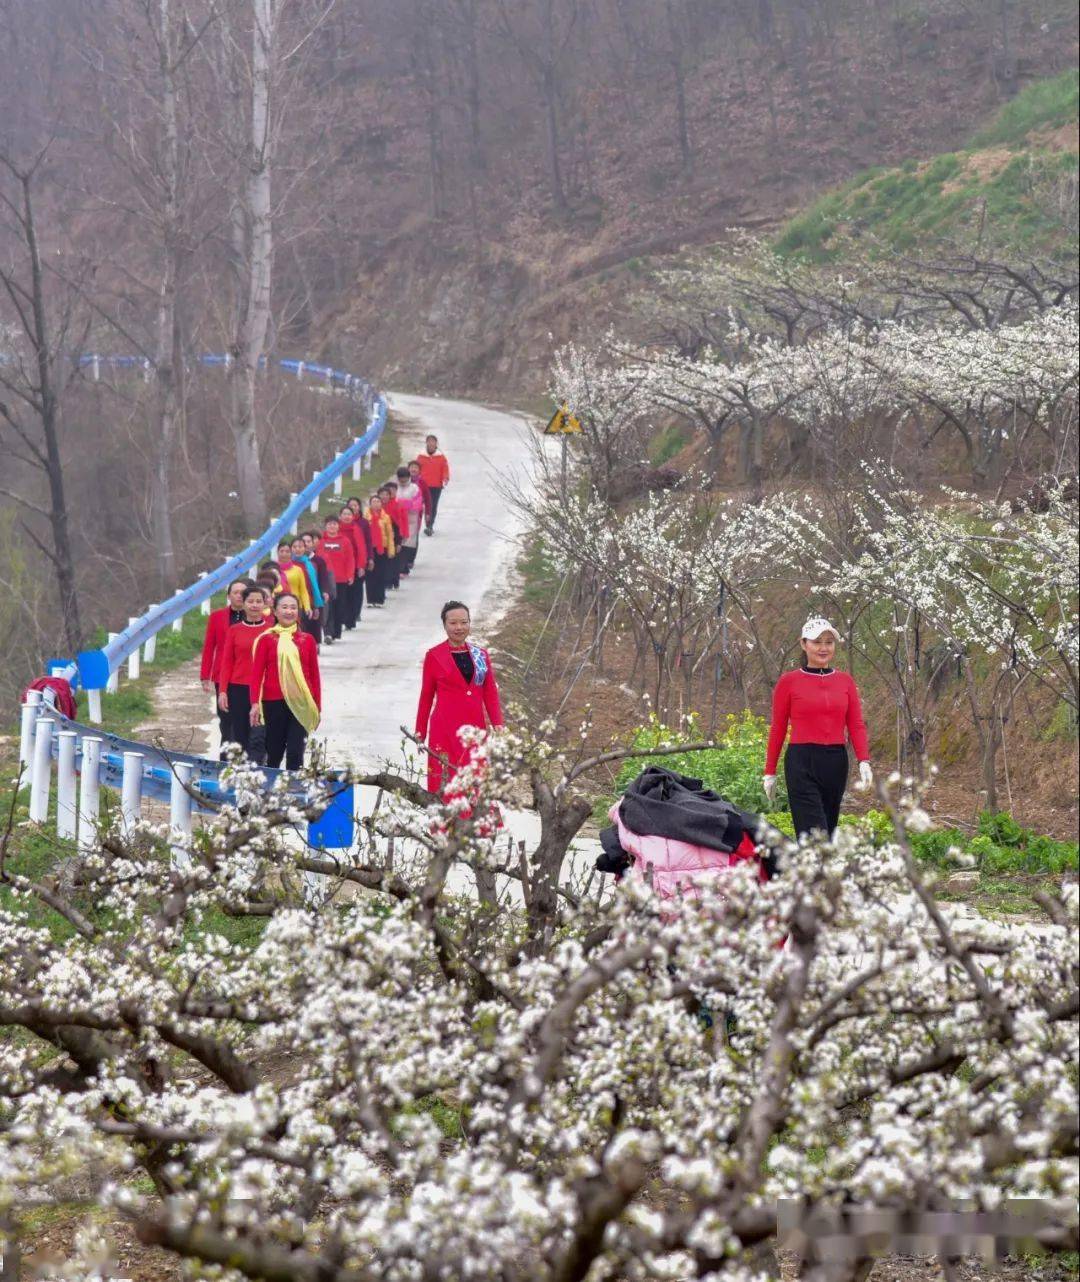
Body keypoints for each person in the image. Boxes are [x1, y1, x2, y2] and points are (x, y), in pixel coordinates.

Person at [763, 616, 872, 842]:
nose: (823, 648)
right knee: (813, 833)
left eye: (829, 642)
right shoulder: (789, 681)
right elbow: (778, 728)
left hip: (835, 761)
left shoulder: (845, 681)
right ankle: (817, 875)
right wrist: (770, 771)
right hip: (801, 761)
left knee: (828, 830)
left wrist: (864, 760)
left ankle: (815, 876)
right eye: (817, 642)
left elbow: (855, 724)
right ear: (804, 644)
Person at [415, 600, 504, 795]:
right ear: (445, 625)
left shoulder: (480, 655)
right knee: (447, 783)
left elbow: (490, 692)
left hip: (475, 730)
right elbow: (426, 696)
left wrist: (497, 722)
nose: (459, 627)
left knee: (476, 780)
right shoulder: (434, 656)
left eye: (464, 622)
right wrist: (420, 732)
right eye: (453, 623)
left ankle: (477, 824)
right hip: (444, 730)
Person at [249, 593, 321, 770]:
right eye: (285, 607)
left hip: (302, 704)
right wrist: (254, 704)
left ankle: (293, 791)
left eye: (293, 607)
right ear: (275, 611)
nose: (289, 611)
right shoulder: (266, 640)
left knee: (296, 752)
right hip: (273, 703)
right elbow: (257, 674)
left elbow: (314, 676)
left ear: (298, 612)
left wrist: (317, 707)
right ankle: (272, 791)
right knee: (274, 752)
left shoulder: (308, 640)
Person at [216, 584, 273, 753]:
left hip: (264, 689)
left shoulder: (271, 631)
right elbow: (227, 662)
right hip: (238, 687)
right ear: (244, 604)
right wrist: (223, 691)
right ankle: (240, 772)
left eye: (258, 601)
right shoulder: (234, 630)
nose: (254, 605)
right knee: (240, 733)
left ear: (265, 604)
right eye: (250, 601)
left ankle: (259, 769)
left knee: (260, 734)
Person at [200, 578, 252, 758]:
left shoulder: (255, 617)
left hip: (247, 674)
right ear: (229, 595)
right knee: (226, 720)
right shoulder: (217, 617)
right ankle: (225, 759)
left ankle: (245, 756)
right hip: (222, 676)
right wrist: (204, 675)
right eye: (235, 592)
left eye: (243, 592)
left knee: (245, 720)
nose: (239, 596)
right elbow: (209, 647)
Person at [317, 516, 355, 642]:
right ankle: (329, 633)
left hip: (341, 579)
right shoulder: (321, 542)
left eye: (334, 524)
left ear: (338, 526)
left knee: (339, 606)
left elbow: (350, 559)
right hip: (326, 580)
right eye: (329, 524)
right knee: (328, 607)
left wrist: (350, 574)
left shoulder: (345, 541)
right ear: (325, 526)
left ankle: (336, 632)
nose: (332, 527)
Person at [302, 531, 335, 644]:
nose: (306, 544)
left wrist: (325, 591)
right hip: (301, 595)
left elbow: (323, 578)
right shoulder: (295, 561)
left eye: (308, 541)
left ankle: (315, 644)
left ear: (313, 544)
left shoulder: (319, 561)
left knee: (315, 621)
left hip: (314, 595)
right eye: (303, 542)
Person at [291, 535, 324, 642]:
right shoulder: (287, 565)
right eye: (295, 547)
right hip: (291, 601)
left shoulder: (310, 565)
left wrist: (315, 606)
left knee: (306, 630)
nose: (297, 549)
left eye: (300, 547)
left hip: (307, 602)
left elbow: (314, 586)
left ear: (305, 549)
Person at [416, 433, 450, 535]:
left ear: (436, 444)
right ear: (426, 443)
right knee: (420, 506)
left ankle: (429, 526)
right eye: (429, 441)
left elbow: (445, 469)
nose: (431, 444)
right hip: (423, 485)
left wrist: (445, 478)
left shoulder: (441, 457)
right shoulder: (421, 457)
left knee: (432, 506)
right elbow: (416, 469)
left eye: (433, 442)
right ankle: (416, 525)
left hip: (436, 485)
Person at [364, 494, 393, 608]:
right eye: (374, 501)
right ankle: (371, 599)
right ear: (370, 504)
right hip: (370, 549)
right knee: (370, 574)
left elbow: (389, 534)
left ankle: (379, 599)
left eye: (378, 501)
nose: (376, 503)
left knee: (380, 574)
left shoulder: (385, 517)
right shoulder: (366, 517)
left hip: (382, 548)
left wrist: (391, 549)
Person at [395, 465, 424, 575]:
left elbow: (418, 503)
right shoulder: (395, 487)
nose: (403, 480)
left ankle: (403, 567)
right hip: (398, 519)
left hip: (411, 519)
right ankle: (402, 567)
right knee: (399, 543)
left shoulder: (414, 488)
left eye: (405, 478)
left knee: (407, 544)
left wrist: (404, 505)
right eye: (401, 478)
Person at [275, 542, 313, 614]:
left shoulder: (298, 570)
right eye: (282, 551)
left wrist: (307, 607)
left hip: (295, 606)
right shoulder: (273, 569)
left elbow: (303, 590)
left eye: (287, 551)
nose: (284, 554)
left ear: (291, 553)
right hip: (277, 606)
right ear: (277, 552)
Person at [409, 459, 432, 534]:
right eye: (412, 467)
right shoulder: (403, 481)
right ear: (408, 469)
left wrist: (427, 513)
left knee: (414, 532)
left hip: (417, 512)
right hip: (404, 511)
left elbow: (428, 499)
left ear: (419, 471)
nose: (413, 469)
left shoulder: (422, 483)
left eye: (416, 468)